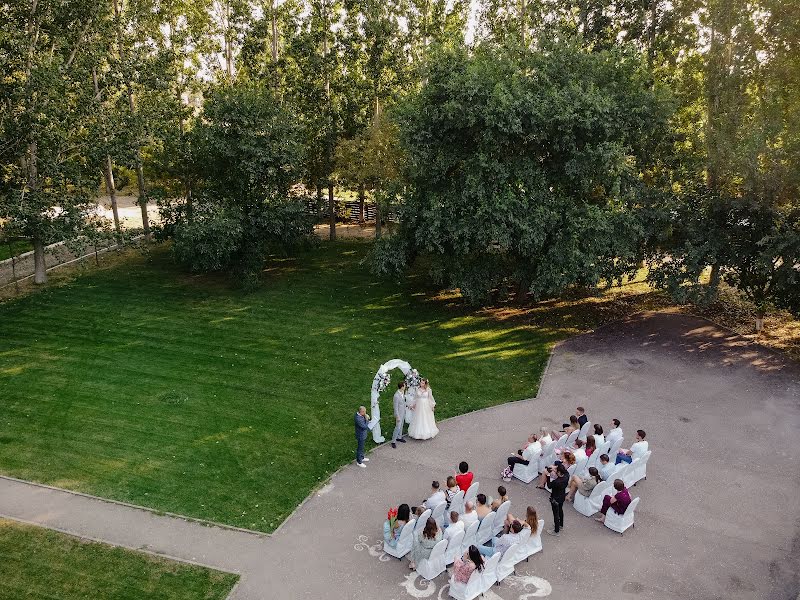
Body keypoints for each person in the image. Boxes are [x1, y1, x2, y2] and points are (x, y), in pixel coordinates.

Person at [545, 464, 569, 536]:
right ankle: (561, 525)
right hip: (562, 496)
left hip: (555, 498)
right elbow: (565, 471)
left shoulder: (557, 482)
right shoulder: (566, 476)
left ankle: (556, 530)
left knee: (556, 514)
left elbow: (549, 486)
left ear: (559, 472)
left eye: (556, 471)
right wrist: (555, 468)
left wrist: (548, 475)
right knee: (560, 510)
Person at [391, 381, 407, 449]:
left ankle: (399, 437)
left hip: (403, 412)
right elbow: (395, 407)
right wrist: (397, 416)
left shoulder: (402, 393)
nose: (405, 386)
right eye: (405, 385)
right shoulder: (396, 396)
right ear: (402, 387)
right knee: (397, 427)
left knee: (401, 425)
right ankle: (393, 441)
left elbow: (404, 402)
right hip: (399, 414)